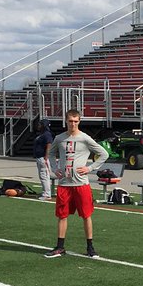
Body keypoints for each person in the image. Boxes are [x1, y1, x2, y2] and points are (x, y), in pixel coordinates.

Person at [44, 110, 109, 259]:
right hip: (64, 184)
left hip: (81, 184)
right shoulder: (59, 138)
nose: (73, 124)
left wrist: (90, 168)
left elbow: (104, 154)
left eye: (75, 121)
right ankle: (60, 247)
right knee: (62, 215)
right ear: (66, 121)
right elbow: (51, 154)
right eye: (70, 121)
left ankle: (90, 247)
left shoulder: (85, 138)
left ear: (79, 121)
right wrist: (54, 168)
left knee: (86, 215)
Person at [32, 118, 54, 200]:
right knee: (42, 176)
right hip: (39, 157)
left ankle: (47, 194)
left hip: (42, 158)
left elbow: (49, 144)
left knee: (44, 175)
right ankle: (45, 192)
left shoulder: (47, 134)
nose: (38, 126)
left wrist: (46, 157)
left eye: (40, 124)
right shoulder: (42, 134)